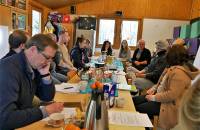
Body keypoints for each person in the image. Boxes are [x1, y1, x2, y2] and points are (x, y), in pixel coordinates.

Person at [0, 34, 64, 130]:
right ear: (33, 50)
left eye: (51, 59)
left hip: (22, 123)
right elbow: (5, 119)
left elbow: (47, 97)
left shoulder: (33, 66)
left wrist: (45, 75)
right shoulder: (8, 70)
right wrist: (45, 111)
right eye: (47, 57)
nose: (48, 62)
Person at [132, 44, 199, 130]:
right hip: (160, 98)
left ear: (172, 56)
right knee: (134, 101)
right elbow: (160, 83)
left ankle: (144, 127)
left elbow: (171, 95)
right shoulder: (171, 68)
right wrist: (153, 89)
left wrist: (153, 98)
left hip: (167, 105)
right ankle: (146, 124)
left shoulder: (179, 73)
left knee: (139, 108)